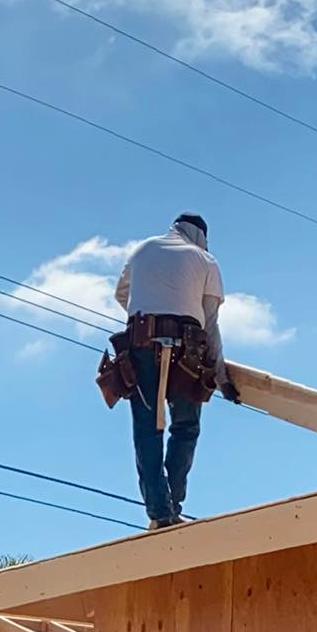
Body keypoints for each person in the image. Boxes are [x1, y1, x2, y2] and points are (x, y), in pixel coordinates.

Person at [95, 212, 243, 526]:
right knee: (185, 426)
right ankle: (172, 505)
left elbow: (122, 295)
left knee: (147, 429)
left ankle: (159, 512)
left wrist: (152, 308)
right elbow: (210, 324)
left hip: (141, 345)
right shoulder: (206, 260)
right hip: (187, 350)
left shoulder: (143, 249)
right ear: (201, 236)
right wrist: (221, 378)